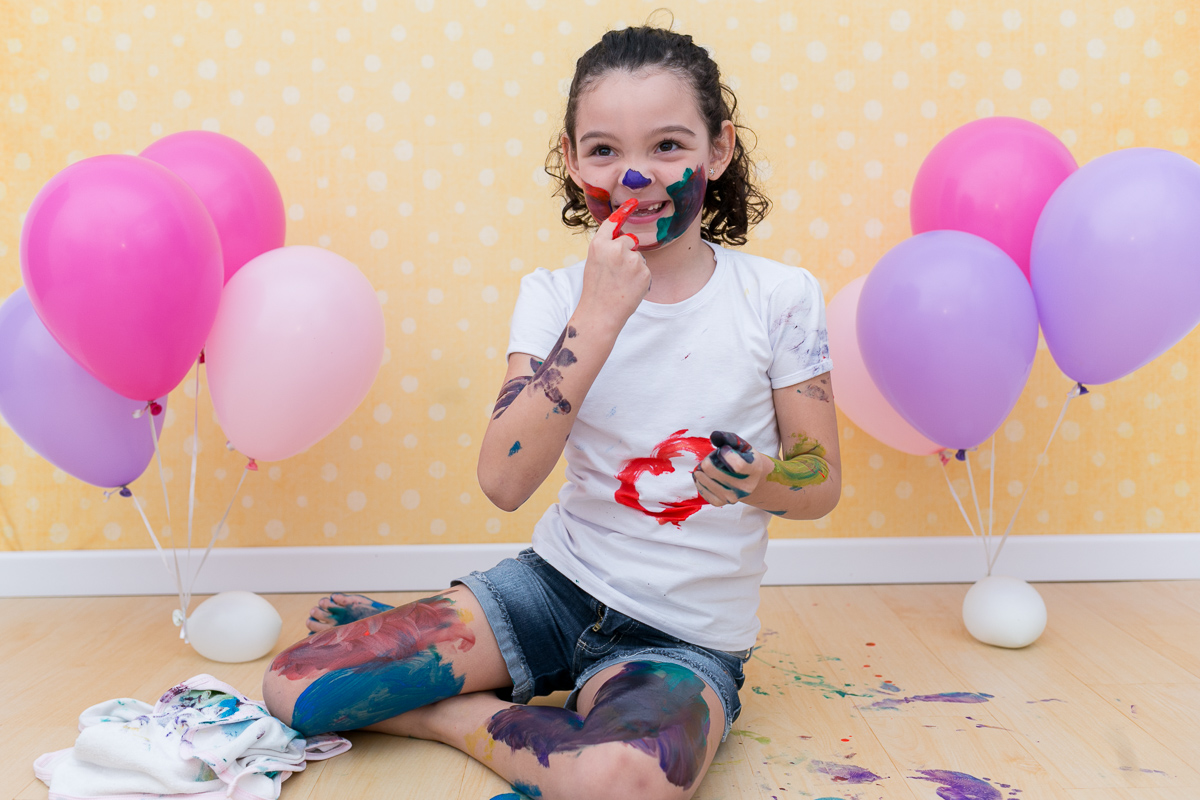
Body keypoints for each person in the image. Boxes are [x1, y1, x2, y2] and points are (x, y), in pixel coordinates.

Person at [262, 24, 841, 800]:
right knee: (298, 686)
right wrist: (597, 316)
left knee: (623, 781)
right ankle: (507, 682)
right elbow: (503, 482)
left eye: (669, 144)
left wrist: (760, 478)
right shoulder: (551, 296)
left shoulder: (780, 297)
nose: (636, 177)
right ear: (572, 162)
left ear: (719, 149)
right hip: (553, 589)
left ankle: (451, 715)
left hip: (681, 640)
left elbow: (821, 482)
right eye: (604, 151)